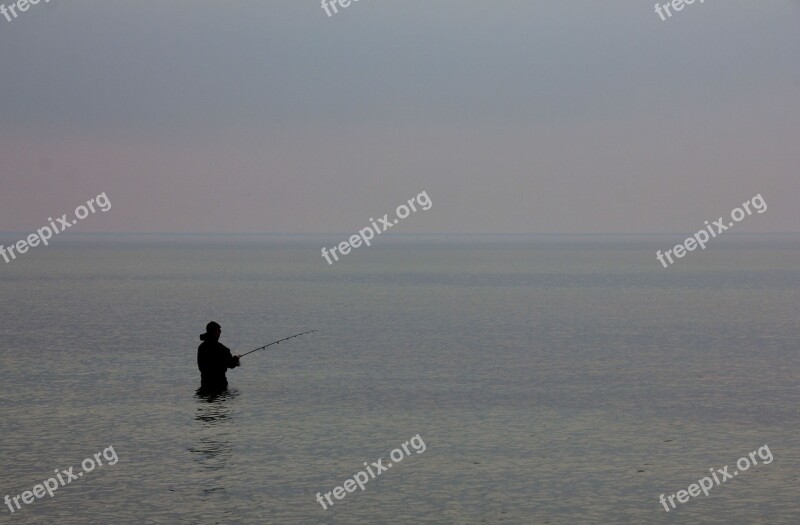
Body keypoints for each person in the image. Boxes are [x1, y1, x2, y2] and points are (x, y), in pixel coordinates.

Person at [197, 321, 240, 392]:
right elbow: (231, 364)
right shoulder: (222, 349)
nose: (220, 332)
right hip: (220, 384)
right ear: (215, 332)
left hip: (205, 383)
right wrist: (236, 359)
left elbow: (200, 367)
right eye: (219, 330)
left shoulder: (201, 347)